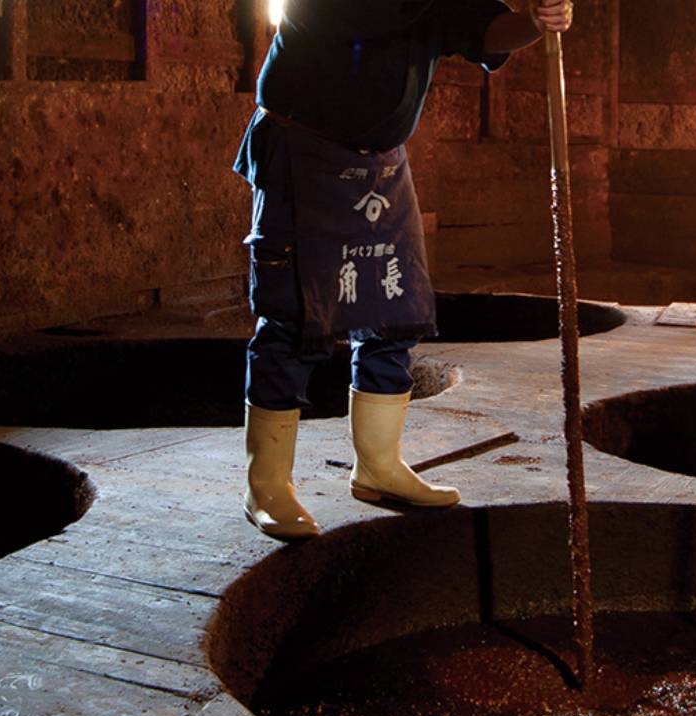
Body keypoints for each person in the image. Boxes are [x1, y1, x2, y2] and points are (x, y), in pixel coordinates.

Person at [234, 0, 574, 542]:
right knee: (294, 318)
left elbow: (485, 29)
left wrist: (533, 23)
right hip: (303, 152)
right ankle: (267, 485)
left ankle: (378, 467)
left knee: (394, 315)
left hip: (383, 162)